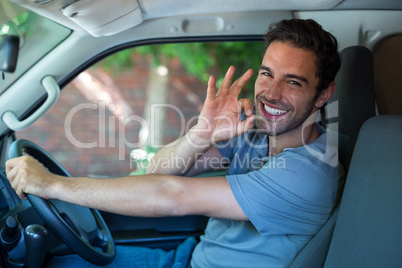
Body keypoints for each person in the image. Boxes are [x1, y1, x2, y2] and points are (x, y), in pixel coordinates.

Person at [6, 18, 341, 267]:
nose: (270, 93)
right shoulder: (254, 133)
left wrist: (52, 184)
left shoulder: (308, 174)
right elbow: (158, 170)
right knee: (57, 262)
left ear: (323, 95)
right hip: (189, 257)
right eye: (267, 73)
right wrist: (199, 136)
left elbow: (171, 194)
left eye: (293, 81)